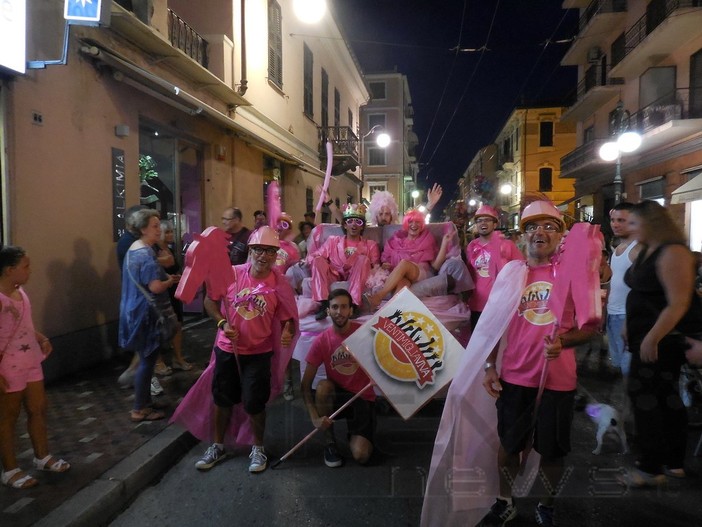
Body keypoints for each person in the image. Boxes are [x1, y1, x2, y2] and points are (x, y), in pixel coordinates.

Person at [477, 200, 598, 526]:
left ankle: (547, 504)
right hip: (515, 376)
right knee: (508, 446)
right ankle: (505, 502)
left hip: (558, 378)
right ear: (522, 235)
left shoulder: (573, 274)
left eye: (548, 226)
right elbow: (493, 325)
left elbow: (591, 327)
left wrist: (564, 341)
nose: (538, 232)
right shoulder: (512, 274)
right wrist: (489, 367)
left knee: (553, 451)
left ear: (561, 234)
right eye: (531, 226)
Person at [195, 226, 297, 473]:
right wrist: (221, 322)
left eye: (270, 252)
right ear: (250, 251)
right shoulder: (231, 274)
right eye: (259, 250)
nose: (263, 256)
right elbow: (210, 300)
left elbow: (288, 318)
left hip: (259, 353)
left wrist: (287, 331)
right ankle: (218, 446)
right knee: (222, 398)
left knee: (255, 402)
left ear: (276, 255)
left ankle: (258, 448)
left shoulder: (279, 284)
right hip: (227, 349)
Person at [621, 200, 702, 486]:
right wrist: (629, 326)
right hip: (647, 335)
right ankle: (672, 461)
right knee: (663, 397)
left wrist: (653, 337)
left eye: (633, 223)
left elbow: (678, 302)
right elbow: (643, 294)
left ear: (651, 222)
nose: (629, 228)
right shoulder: (647, 250)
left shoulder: (673, 252)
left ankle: (651, 466)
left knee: (646, 398)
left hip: (661, 339)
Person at [0, 246, 70, 489]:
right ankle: (10, 469)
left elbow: (23, 325)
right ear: (10, 270)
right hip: (7, 366)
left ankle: (42, 456)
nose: (30, 270)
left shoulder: (21, 292)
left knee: (38, 408)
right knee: (8, 418)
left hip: (30, 360)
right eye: (25, 266)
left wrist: (40, 338)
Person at [301, 289, 375, 466]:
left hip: (363, 397)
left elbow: (384, 363)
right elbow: (305, 385)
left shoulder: (364, 334)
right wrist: (314, 418)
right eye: (334, 307)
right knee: (323, 387)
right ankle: (330, 442)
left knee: (361, 455)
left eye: (343, 307)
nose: (339, 311)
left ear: (351, 310)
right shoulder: (321, 340)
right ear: (328, 311)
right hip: (338, 396)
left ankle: (357, 433)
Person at [119, 209, 180, 422]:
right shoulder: (145, 254)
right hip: (146, 314)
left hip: (134, 310)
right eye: (154, 226)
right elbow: (154, 287)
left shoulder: (135, 250)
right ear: (143, 228)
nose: (159, 230)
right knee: (147, 361)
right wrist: (169, 282)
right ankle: (139, 408)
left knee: (146, 359)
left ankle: (144, 401)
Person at [365, 209, 452, 311]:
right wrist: (385, 265)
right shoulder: (397, 239)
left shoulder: (426, 238)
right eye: (411, 221)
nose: (414, 225)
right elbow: (386, 260)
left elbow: (436, 265)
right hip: (403, 275)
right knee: (402, 283)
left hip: (420, 272)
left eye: (417, 222)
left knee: (404, 264)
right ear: (406, 223)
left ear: (422, 224)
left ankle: (378, 297)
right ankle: (391, 312)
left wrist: (445, 242)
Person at [309, 203, 380, 320]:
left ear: (362, 227)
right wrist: (305, 261)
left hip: (357, 275)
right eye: (350, 221)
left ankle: (354, 305)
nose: (354, 225)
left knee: (363, 259)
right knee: (318, 260)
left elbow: (376, 267)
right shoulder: (333, 241)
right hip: (334, 273)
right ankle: (324, 304)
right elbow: (315, 255)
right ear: (345, 225)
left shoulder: (370, 245)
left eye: (358, 222)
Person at [466, 204, 524, 329]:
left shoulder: (507, 245)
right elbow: (469, 274)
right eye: (479, 220)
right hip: (477, 304)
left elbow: (521, 270)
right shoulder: (472, 246)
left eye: (487, 220)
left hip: (501, 304)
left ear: (495, 224)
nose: (483, 223)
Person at [606, 202, 641, 376]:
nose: (615, 224)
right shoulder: (618, 249)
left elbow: (642, 288)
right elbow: (613, 282)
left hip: (628, 317)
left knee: (630, 370)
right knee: (620, 366)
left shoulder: (638, 250)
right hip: (612, 315)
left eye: (621, 220)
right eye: (613, 220)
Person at [157, 220, 192, 371]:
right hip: (163, 292)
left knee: (177, 324)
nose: (171, 234)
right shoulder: (155, 251)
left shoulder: (170, 249)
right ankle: (159, 362)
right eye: (168, 232)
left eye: (172, 231)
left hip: (174, 291)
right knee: (161, 327)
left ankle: (178, 357)